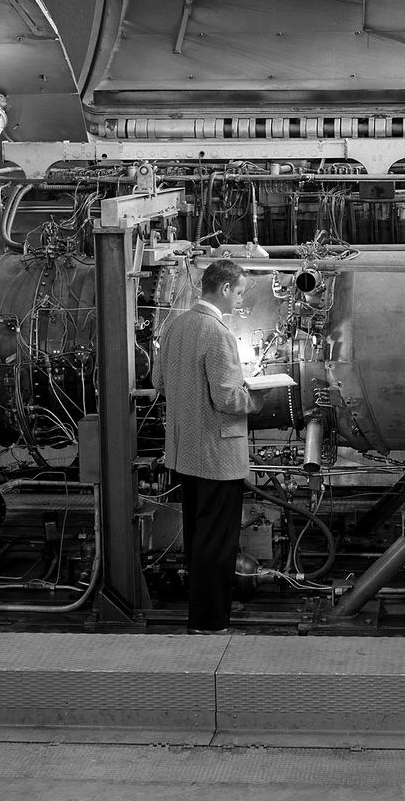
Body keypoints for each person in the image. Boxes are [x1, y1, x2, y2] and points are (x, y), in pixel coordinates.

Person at [153, 259, 263, 633]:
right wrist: (257, 397)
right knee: (218, 545)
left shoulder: (174, 327)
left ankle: (198, 619)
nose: (241, 299)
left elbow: (160, 382)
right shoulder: (218, 334)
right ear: (225, 289)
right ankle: (212, 623)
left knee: (199, 540)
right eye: (240, 292)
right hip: (217, 456)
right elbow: (228, 399)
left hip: (185, 452)